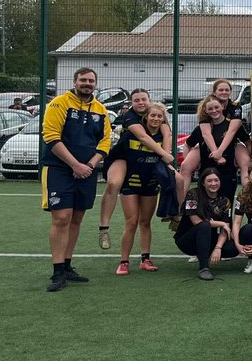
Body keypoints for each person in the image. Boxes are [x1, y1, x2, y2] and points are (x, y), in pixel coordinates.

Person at [42, 67, 112, 291]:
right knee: (61, 218)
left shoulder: (101, 110)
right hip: (59, 170)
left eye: (91, 81)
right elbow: (51, 136)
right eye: (83, 80)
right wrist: (75, 165)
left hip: (87, 172)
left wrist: (89, 165)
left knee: (76, 218)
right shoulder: (59, 103)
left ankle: (68, 265)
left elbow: (105, 142)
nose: (87, 84)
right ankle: (57, 271)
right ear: (75, 81)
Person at [97, 88, 176, 250]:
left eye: (143, 99)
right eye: (136, 100)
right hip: (123, 157)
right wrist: (164, 154)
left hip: (144, 161)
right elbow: (143, 137)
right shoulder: (130, 117)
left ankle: (175, 214)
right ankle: (104, 228)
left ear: (149, 100)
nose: (140, 103)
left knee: (178, 178)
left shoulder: (155, 113)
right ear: (131, 103)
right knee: (114, 184)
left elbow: (167, 132)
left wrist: (166, 157)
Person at [115, 103, 175, 275]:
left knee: (145, 222)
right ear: (146, 117)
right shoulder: (131, 134)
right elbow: (118, 155)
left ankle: (145, 259)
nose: (156, 119)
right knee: (131, 222)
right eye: (153, 115)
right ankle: (124, 262)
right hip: (130, 184)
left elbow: (166, 158)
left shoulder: (164, 136)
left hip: (150, 184)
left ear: (163, 119)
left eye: (159, 116)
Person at [179, 79, 250, 201]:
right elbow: (206, 134)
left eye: (226, 90)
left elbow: (232, 131)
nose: (224, 92)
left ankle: (249, 200)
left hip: (230, 143)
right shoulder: (207, 109)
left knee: (245, 162)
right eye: (220, 90)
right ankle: (179, 206)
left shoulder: (235, 107)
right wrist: (215, 155)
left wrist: (222, 152)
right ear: (214, 92)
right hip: (210, 147)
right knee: (185, 166)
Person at [173, 167, 235, 281]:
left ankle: (209, 253)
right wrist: (221, 223)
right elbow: (196, 222)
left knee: (234, 247)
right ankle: (204, 268)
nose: (213, 184)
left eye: (216, 180)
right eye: (209, 181)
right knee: (204, 225)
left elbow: (225, 228)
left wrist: (218, 247)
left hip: (209, 238)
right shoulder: (193, 194)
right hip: (187, 240)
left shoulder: (224, 201)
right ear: (202, 182)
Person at [183, 96, 240, 200]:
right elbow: (187, 145)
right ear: (205, 110)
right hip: (206, 174)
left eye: (216, 107)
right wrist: (191, 163)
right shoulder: (201, 128)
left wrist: (240, 161)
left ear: (222, 106)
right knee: (204, 209)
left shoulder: (232, 127)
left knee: (226, 208)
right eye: (210, 109)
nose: (214, 111)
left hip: (227, 173)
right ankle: (179, 208)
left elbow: (247, 143)